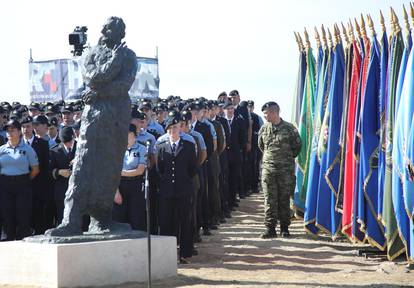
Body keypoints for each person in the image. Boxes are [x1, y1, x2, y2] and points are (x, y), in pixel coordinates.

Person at [155, 113, 197, 264]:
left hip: (183, 189)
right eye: (170, 128)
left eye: (175, 127)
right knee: (165, 221)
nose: (173, 130)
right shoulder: (161, 147)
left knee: (184, 221)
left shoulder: (189, 146)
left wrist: (182, 180)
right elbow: (159, 169)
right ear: (167, 130)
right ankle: (166, 254)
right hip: (166, 191)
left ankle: (184, 253)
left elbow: (193, 168)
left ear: (180, 128)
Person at [258, 102, 301, 238]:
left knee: (284, 198)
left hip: (285, 170)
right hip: (268, 169)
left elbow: (297, 147)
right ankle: (270, 228)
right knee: (269, 199)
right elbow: (261, 146)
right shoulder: (264, 129)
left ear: (275, 112)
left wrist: (285, 159)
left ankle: (284, 228)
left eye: (266, 113)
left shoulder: (290, 129)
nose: (265, 116)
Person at [0, 120, 39, 240]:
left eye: (13, 130)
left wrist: (24, 180)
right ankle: (8, 241)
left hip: (23, 185)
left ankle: (23, 241)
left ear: (19, 132)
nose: (9, 133)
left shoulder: (27, 149)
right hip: (5, 185)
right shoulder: (1, 149)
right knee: (7, 215)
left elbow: (35, 169)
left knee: (23, 215)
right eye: (8, 131)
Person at [113, 124, 147, 230]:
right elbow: (112, 171)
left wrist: (121, 172)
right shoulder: (117, 149)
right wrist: (116, 191)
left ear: (133, 134)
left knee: (136, 218)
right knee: (119, 218)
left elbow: (140, 171)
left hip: (135, 185)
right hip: (120, 185)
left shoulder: (142, 148)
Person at [49, 126, 77, 224]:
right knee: (62, 216)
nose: (68, 144)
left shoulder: (81, 148)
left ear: (74, 137)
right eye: (65, 142)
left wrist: (78, 162)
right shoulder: (54, 151)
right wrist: (59, 172)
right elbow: (49, 171)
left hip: (78, 189)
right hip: (62, 190)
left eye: (70, 141)